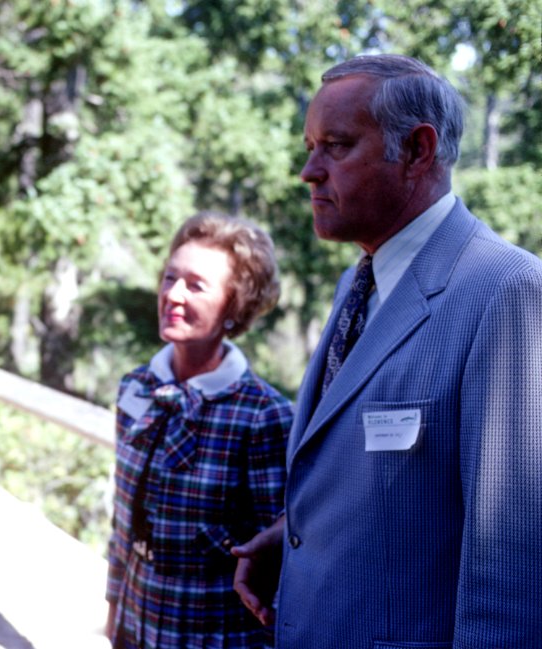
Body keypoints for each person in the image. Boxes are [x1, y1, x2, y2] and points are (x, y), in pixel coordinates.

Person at [231, 54, 542, 647]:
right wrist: (294, 536)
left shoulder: (508, 292)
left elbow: (515, 565)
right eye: (309, 145)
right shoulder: (360, 280)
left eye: (336, 146)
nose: (308, 171)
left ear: (418, 150)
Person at [105, 212, 293, 648]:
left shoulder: (262, 415)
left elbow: (279, 552)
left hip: (213, 634)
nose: (172, 294)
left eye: (195, 285)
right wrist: (114, 610)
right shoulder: (137, 388)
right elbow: (122, 520)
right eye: (169, 278)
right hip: (137, 619)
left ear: (235, 306)